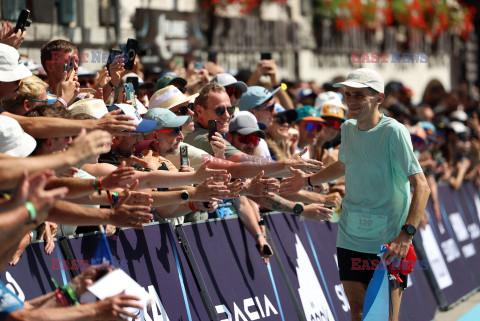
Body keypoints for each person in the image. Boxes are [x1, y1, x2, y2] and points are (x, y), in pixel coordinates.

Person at [280, 68, 431, 321]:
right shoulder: (348, 128)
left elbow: (422, 186)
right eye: (348, 95)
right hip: (351, 235)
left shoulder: (394, 132)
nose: (351, 101)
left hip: (389, 241)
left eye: (359, 95)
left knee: (385, 316)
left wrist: (406, 234)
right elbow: (342, 165)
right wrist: (306, 180)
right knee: (359, 313)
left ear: (379, 98)